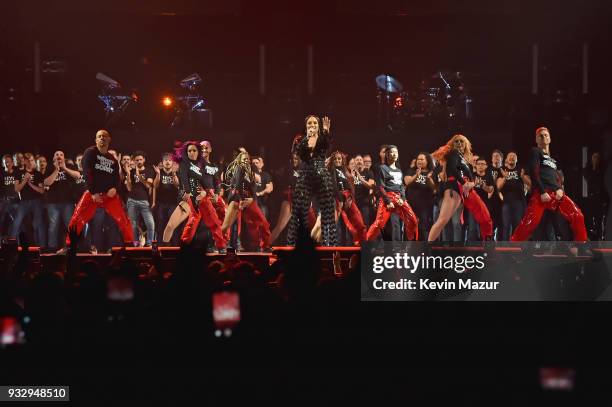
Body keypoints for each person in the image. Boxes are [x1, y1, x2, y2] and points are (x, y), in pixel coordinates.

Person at [511, 127, 586, 242]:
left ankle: (582, 246)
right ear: (536, 139)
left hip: (556, 194)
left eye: (546, 135)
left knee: (578, 215)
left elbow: (557, 178)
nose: (544, 137)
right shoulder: (535, 151)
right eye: (541, 136)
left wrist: (560, 189)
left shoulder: (553, 161)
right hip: (541, 194)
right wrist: (542, 191)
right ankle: (513, 246)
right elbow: (533, 171)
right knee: (530, 223)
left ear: (550, 139)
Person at [66, 129, 134, 247]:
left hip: (109, 195)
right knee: (77, 218)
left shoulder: (112, 159)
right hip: (93, 194)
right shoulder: (90, 152)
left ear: (109, 139)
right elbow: (87, 173)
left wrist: (115, 188)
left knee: (123, 219)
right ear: (96, 140)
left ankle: (130, 246)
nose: (102, 138)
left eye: (104, 136)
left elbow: (116, 177)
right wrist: (93, 192)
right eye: (99, 136)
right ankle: (69, 246)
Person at [428, 134, 493, 242]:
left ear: (466, 144)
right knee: (443, 220)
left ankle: (488, 243)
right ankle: (427, 248)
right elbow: (452, 169)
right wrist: (464, 183)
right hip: (455, 187)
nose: (459, 143)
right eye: (456, 141)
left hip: (467, 189)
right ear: (452, 144)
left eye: (461, 141)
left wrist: (471, 184)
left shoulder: (463, 158)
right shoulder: (453, 153)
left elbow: (470, 178)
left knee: (485, 217)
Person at [287, 115, 337, 246]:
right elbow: (299, 153)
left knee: (327, 212)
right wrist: (308, 138)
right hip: (305, 175)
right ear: (306, 126)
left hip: (322, 175)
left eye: (315, 123)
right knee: (298, 210)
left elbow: (327, 146)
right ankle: (295, 245)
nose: (313, 125)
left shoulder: (323, 137)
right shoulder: (299, 139)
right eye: (310, 123)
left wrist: (326, 131)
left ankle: (330, 245)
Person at [178, 142, 227, 252]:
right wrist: (188, 193)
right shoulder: (185, 164)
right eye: (189, 151)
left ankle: (221, 245)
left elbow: (208, 181)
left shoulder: (203, 164)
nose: (192, 153)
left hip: (203, 196)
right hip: (191, 195)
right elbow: (184, 180)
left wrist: (208, 192)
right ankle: (184, 244)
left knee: (213, 219)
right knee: (193, 220)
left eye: (194, 150)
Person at [366, 145, 418, 241]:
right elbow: (380, 186)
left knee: (413, 220)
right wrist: (388, 200)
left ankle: (411, 244)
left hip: (399, 198)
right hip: (387, 197)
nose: (394, 154)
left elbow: (402, 186)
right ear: (387, 154)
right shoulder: (382, 168)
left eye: (396, 152)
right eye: (392, 152)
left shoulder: (399, 170)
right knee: (379, 223)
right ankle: (367, 244)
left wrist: (402, 199)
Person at [221, 150, 271, 251]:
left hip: (248, 200)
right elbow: (238, 186)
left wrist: (252, 199)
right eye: (244, 159)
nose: (246, 161)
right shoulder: (239, 168)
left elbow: (254, 187)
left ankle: (265, 245)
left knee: (263, 222)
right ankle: (220, 244)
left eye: (248, 159)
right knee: (227, 225)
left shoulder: (251, 170)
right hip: (237, 199)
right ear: (239, 160)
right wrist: (241, 200)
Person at [270, 152, 316, 244]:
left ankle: (313, 248)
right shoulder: (288, 170)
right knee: (280, 227)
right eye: (293, 159)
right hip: (290, 201)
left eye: (296, 159)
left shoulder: (305, 171)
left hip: (304, 202)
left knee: (313, 226)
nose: (294, 161)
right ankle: (266, 245)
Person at [43, 150, 81, 252]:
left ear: (64, 158)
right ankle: (52, 248)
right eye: (57, 155)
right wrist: (56, 170)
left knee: (70, 225)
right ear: (53, 158)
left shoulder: (69, 166)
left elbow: (78, 175)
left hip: (67, 202)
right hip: (52, 203)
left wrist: (64, 168)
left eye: (61, 155)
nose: (59, 156)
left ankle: (73, 246)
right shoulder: (50, 168)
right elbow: (46, 183)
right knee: (53, 226)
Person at [328, 151, 367, 245]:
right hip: (337, 199)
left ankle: (360, 243)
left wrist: (349, 198)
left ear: (342, 160)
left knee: (359, 222)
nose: (337, 160)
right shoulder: (331, 170)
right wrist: (341, 200)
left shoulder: (345, 170)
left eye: (339, 158)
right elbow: (333, 186)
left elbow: (350, 186)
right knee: (337, 225)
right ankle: (333, 247)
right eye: (335, 159)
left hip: (348, 198)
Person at [9, 153, 46, 246]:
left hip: (36, 201)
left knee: (39, 224)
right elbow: (17, 189)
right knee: (17, 222)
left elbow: (41, 191)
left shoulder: (38, 174)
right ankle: (11, 245)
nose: (30, 162)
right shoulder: (19, 173)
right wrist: (25, 180)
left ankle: (42, 246)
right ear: (25, 161)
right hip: (24, 201)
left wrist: (30, 184)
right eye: (28, 160)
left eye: (32, 160)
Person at [125, 151, 156, 246]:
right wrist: (128, 174)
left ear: (144, 160)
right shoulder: (131, 171)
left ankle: (149, 243)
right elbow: (129, 188)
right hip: (132, 201)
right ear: (134, 161)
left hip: (144, 201)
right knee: (133, 225)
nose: (139, 161)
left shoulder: (149, 171)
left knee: (150, 224)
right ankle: (136, 243)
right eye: (137, 160)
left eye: (140, 159)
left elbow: (148, 185)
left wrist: (139, 176)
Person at [497, 151, 529, 241]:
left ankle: (517, 249)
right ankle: (505, 249)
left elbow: (529, 184)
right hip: (506, 203)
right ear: (506, 159)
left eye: (514, 156)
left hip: (519, 202)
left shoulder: (521, 169)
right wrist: (504, 178)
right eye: (509, 156)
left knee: (518, 226)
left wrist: (523, 177)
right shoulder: (502, 170)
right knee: (505, 226)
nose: (511, 157)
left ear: (516, 159)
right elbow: (498, 187)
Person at [404, 152, 436, 241]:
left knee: (424, 226)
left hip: (425, 206)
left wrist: (429, 179)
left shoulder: (431, 173)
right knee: (410, 226)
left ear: (427, 161)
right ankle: (410, 247)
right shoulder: (412, 170)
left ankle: (424, 247)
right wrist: (416, 176)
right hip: (411, 205)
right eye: (418, 159)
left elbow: (434, 188)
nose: (419, 161)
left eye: (422, 159)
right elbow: (407, 182)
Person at [152, 153, 180, 246]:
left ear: (172, 162)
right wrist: (158, 174)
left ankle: (174, 245)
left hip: (173, 203)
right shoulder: (158, 171)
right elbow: (155, 186)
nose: (167, 162)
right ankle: (160, 245)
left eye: (169, 160)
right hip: (161, 203)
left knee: (172, 225)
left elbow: (177, 185)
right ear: (162, 162)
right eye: (165, 160)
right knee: (160, 224)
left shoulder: (176, 172)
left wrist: (174, 173)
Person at [582, 151, 607, 240]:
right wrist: (594, 167)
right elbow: (590, 179)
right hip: (591, 197)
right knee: (590, 219)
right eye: (594, 156)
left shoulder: (603, 169)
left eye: (597, 157)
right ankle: (592, 237)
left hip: (600, 198)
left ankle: (600, 238)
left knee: (599, 219)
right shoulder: (587, 169)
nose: (596, 158)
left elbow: (601, 181)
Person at [352, 154, 376, 226]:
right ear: (354, 162)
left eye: (360, 160)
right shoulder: (351, 173)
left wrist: (360, 178)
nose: (359, 161)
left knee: (365, 224)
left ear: (363, 162)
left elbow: (371, 186)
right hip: (354, 204)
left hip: (365, 204)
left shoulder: (369, 172)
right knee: (355, 225)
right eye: (357, 160)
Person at [0, 154, 20, 236]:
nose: (7, 164)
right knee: (1, 222)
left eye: (9, 162)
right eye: (5, 162)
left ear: (12, 163)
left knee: (17, 223)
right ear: (2, 163)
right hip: (3, 201)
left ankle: (16, 242)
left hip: (15, 200)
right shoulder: (1, 175)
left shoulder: (17, 173)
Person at [252, 156, 273, 221]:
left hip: (261, 203)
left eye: (257, 162)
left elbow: (270, 188)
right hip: (250, 202)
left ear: (262, 164)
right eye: (253, 163)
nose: (255, 164)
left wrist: (259, 193)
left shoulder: (265, 175)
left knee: (263, 222)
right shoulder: (248, 174)